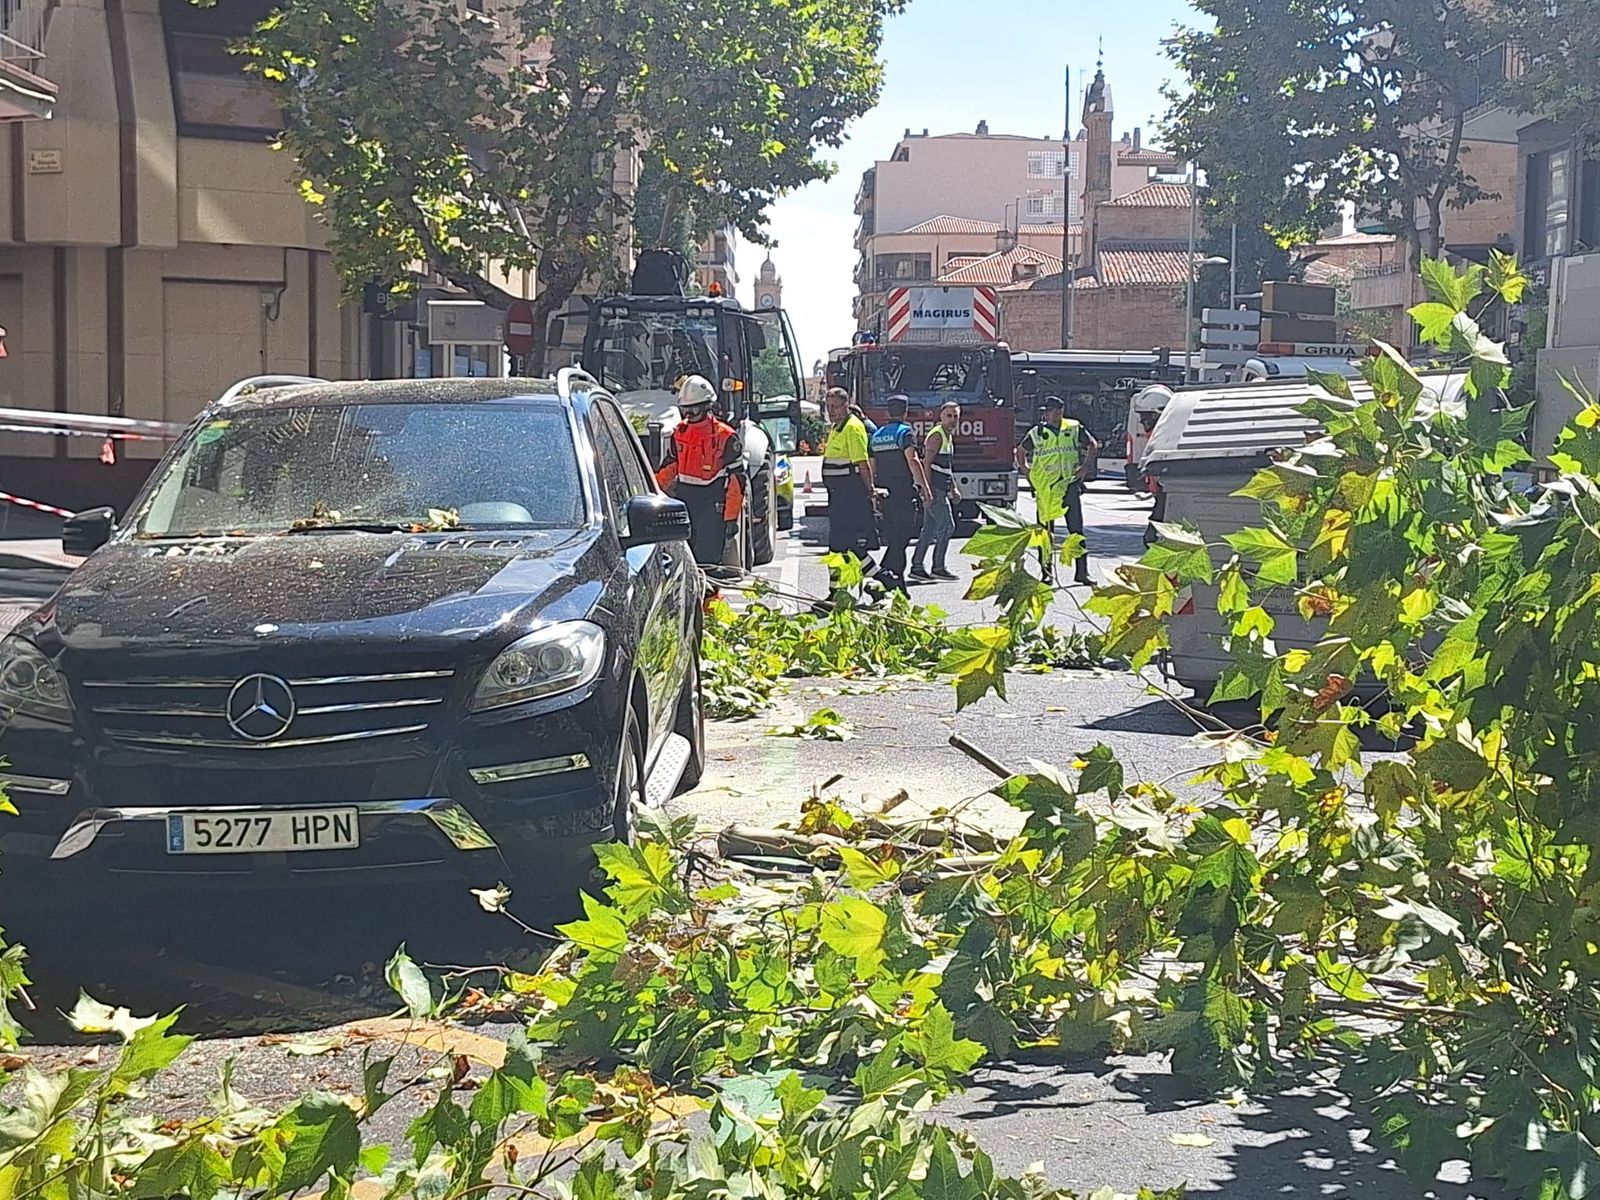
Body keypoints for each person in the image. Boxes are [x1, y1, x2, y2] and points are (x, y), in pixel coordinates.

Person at [655, 375, 745, 567]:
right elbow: (669, 469)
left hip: (712, 505)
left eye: (693, 410)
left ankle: (711, 596)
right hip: (684, 502)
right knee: (684, 562)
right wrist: (649, 494)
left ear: (706, 407)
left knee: (707, 563)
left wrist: (731, 518)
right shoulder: (679, 433)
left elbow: (737, 481)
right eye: (685, 410)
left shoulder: (726, 437)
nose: (689, 415)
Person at [1016, 394, 1097, 586]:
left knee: (1076, 530)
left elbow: (1092, 445)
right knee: (1044, 533)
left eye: (1050, 411)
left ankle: (1082, 572)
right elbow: (1020, 452)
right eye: (1045, 411)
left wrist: (1085, 467)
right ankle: (1046, 572)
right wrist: (1028, 473)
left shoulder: (1074, 428)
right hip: (1047, 489)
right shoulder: (1038, 432)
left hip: (1068, 485)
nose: (1047, 414)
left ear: (1060, 411)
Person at [869, 394, 934, 592]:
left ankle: (896, 583)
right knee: (902, 538)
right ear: (905, 412)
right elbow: (913, 461)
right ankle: (884, 576)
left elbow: (872, 466)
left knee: (895, 537)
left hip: (884, 493)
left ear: (888, 412)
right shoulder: (905, 433)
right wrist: (926, 489)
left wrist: (873, 493)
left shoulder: (877, 435)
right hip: (904, 493)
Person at [821, 387, 877, 585]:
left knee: (843, 547)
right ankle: (839, 591)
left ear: (846, 405)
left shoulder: (852, 427)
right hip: (838, 495)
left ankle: (881, 584)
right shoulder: (837, 427)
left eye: (835, 406)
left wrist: (870, 491)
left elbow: (862, 463)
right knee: (842, 548)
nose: (831, 411)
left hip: (849, 494)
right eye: (828, 407)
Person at [910, 402, 962, 581]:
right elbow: (927, 464)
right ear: (941, 416)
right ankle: (938, 567)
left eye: (955, 416)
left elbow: (946, 466)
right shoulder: (937, 436)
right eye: (949, 416)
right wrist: (927, 490)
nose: (953, 420)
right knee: (948, 526)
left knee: (929, 529)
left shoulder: (947, 436)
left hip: (942, 488)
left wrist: (953, 487)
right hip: (935, 489)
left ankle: (917, 566)